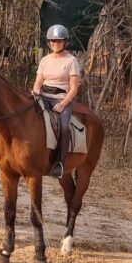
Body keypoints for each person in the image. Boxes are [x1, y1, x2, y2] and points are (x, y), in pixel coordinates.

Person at [32, 24, 81, 178]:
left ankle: (60, 162)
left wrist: (62, 104)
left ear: (65, 42)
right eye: (52, 41)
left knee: (65, 127)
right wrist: (36, 90)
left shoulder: (71, 61)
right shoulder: (45, 60)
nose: (55, 44)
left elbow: (74, 88)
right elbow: (39, 81)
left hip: (61, 99)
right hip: (44, 97)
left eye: (58, 41)